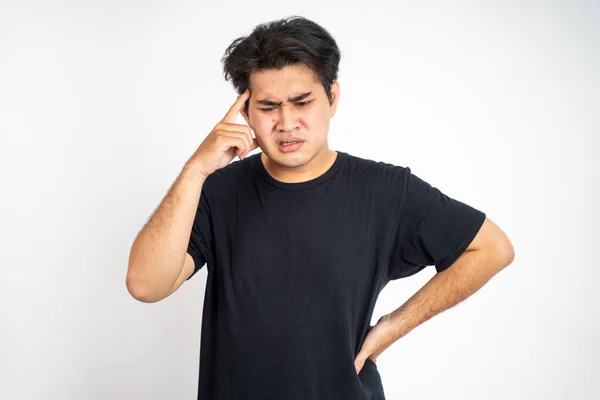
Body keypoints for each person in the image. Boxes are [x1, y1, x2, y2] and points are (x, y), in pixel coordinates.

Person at [126, 16, 515, 400]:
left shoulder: (385, 191)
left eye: (302, 102)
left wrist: (395, 325)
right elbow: (145, 285)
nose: (286, 122)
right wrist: (196, 169)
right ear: (245, 114)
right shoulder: (218, 191)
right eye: (268, 106)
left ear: (332, 97)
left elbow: (491, 249)